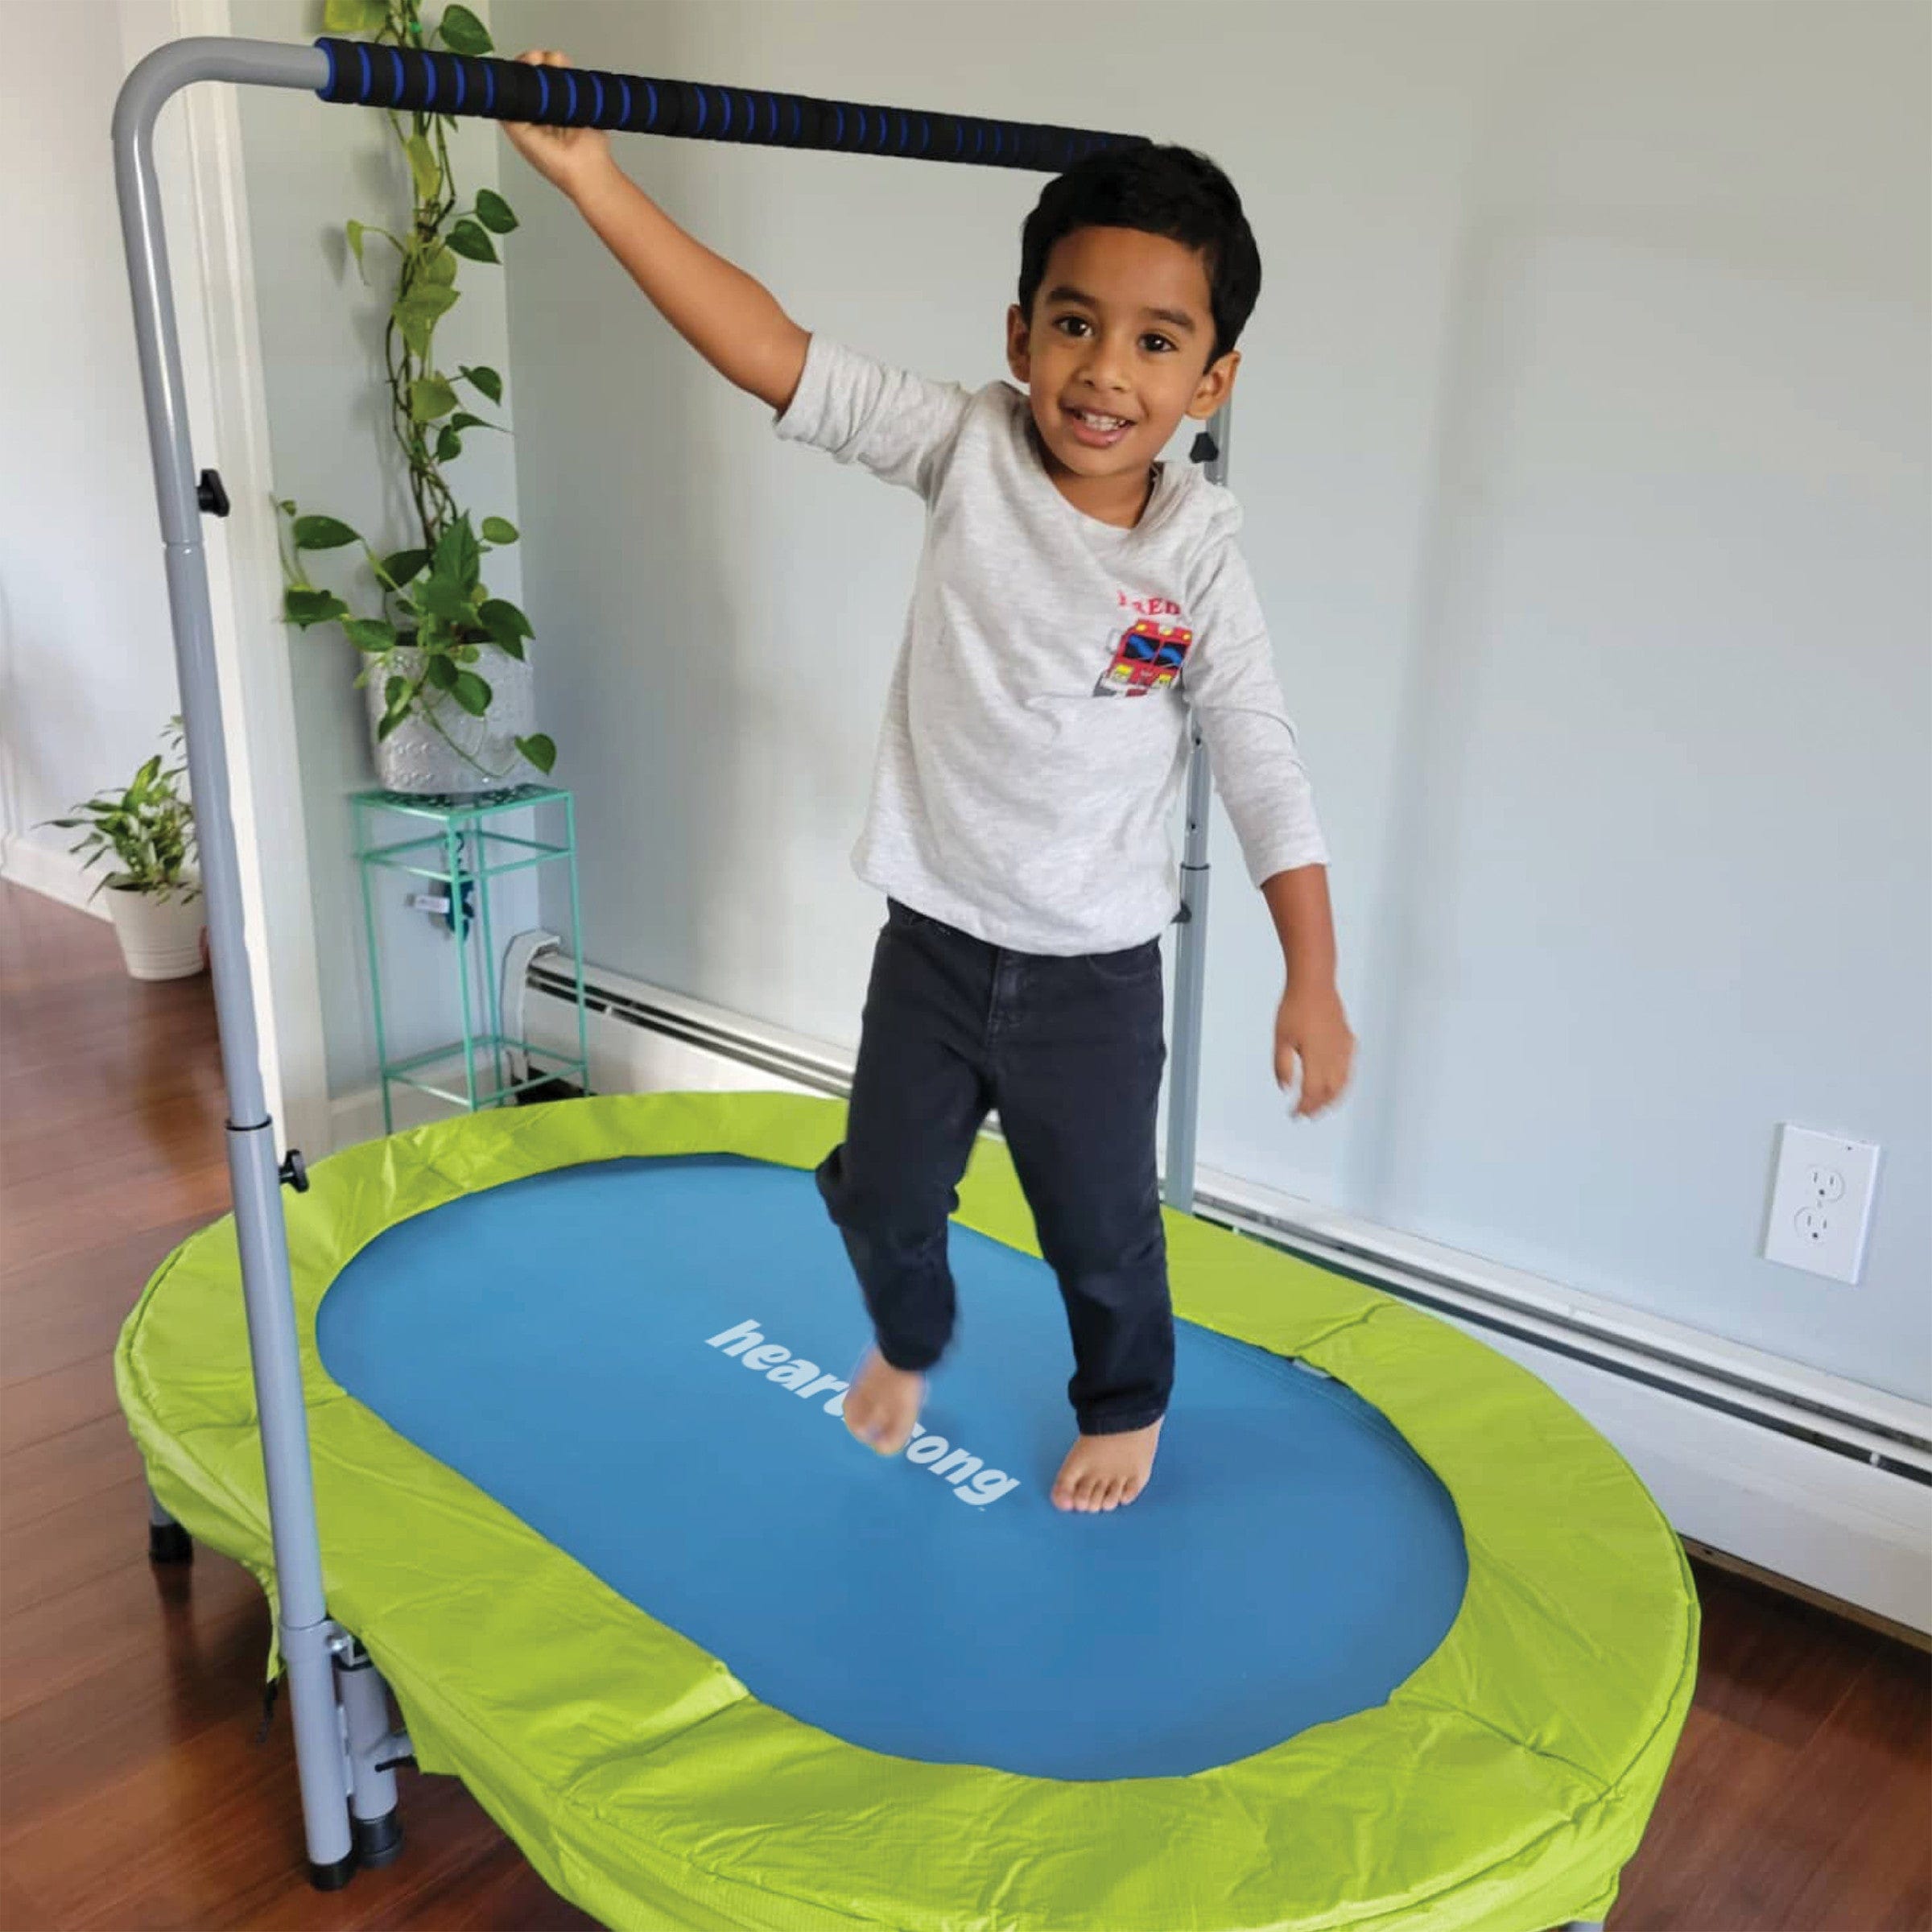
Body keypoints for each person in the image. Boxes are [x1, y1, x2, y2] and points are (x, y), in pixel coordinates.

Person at [505, 55, 1356, 1513]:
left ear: (1212, 380)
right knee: (889, 1201)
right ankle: (910, 1333)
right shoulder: (965, 446)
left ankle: (1128, 1401)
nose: (1107, 372)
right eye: (1076, 326)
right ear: (1020, 335)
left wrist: (1311, 973)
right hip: (937, 942)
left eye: (1159, 344)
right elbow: (774, 352)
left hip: (1092, 975)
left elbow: (1263, 756)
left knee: (1100, 1230)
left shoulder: (1197, 555)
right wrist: (594, 180)